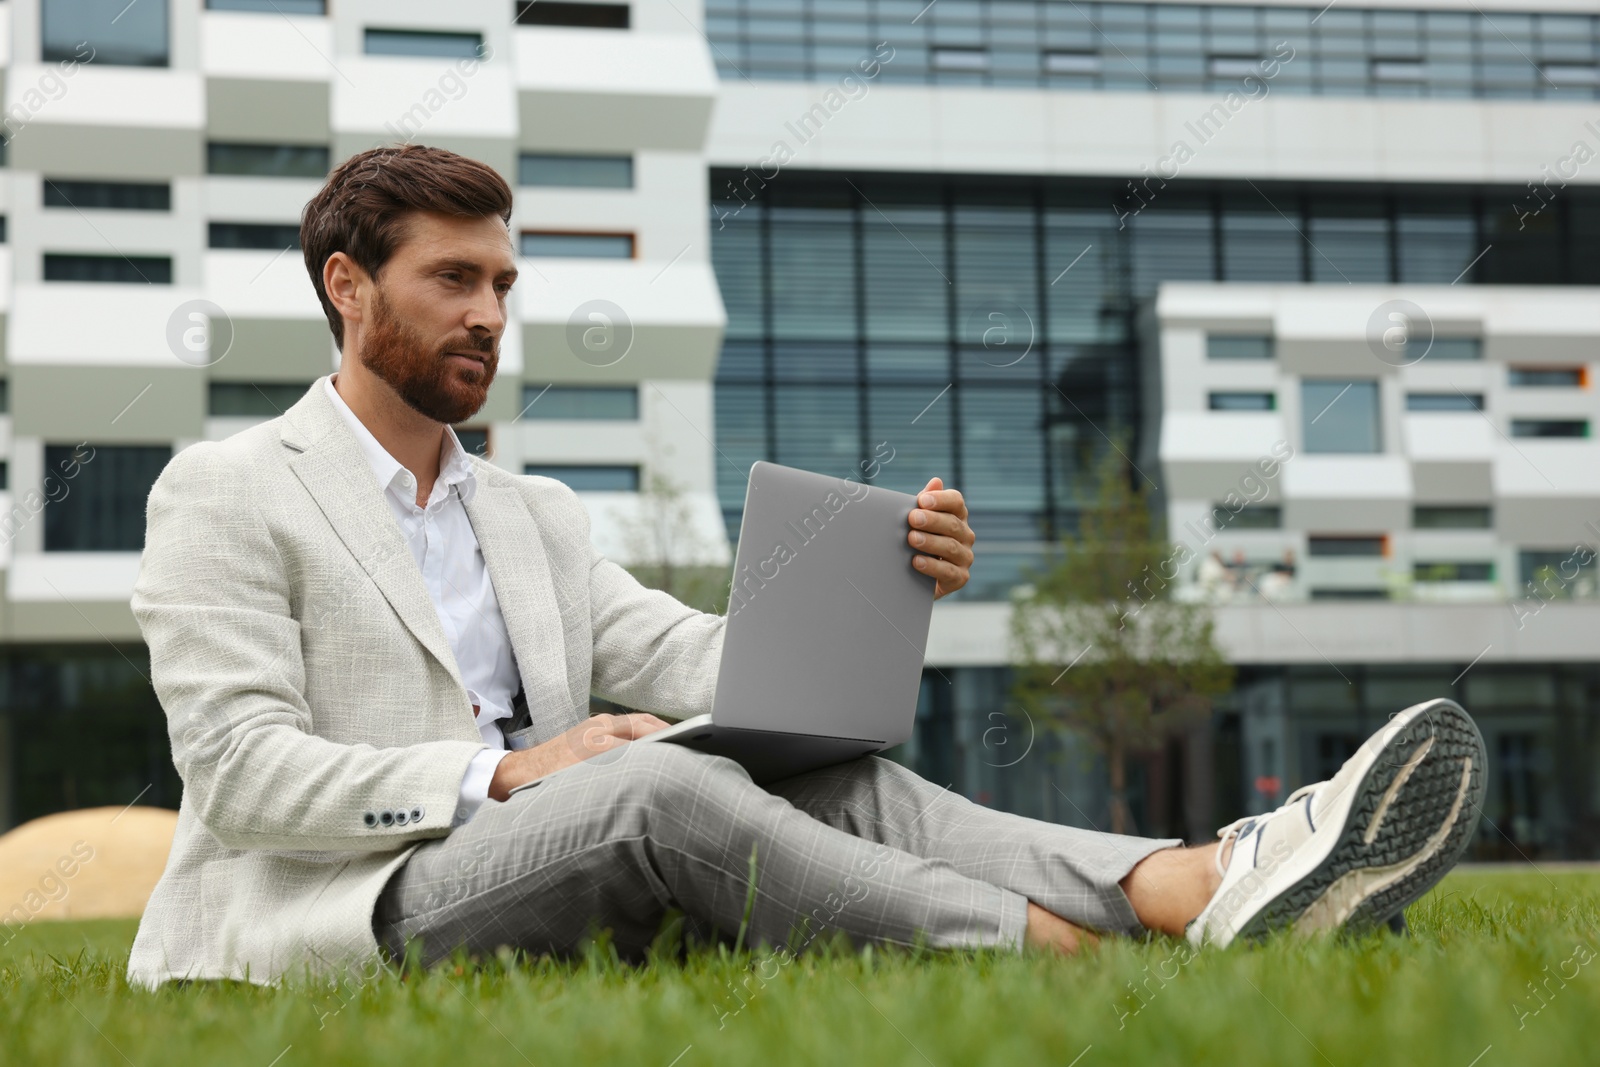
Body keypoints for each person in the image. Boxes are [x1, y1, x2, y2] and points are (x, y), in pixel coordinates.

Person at [125, 145, 1488, 988]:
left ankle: (1195, 882)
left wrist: (887, 583)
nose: (488, 314)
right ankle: (1080, 957)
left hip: (538, 858)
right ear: (347, 287)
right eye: (451, 281)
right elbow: (240, 772)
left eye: (502, 285)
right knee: (654, 787)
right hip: (353, 904)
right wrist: (505, 771)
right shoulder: (230, 489)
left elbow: (709, 665)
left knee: (827, 766)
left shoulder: (530, 514)